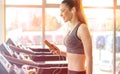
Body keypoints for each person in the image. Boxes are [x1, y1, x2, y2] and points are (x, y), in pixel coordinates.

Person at [44, 0, 93, 74]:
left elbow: (89, 58)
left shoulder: (82, 28)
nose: (60, 14)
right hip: (70, 71)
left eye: (63, 11)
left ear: (73, 10)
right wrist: (60, 52)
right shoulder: (71, 29)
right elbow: (75, 54)